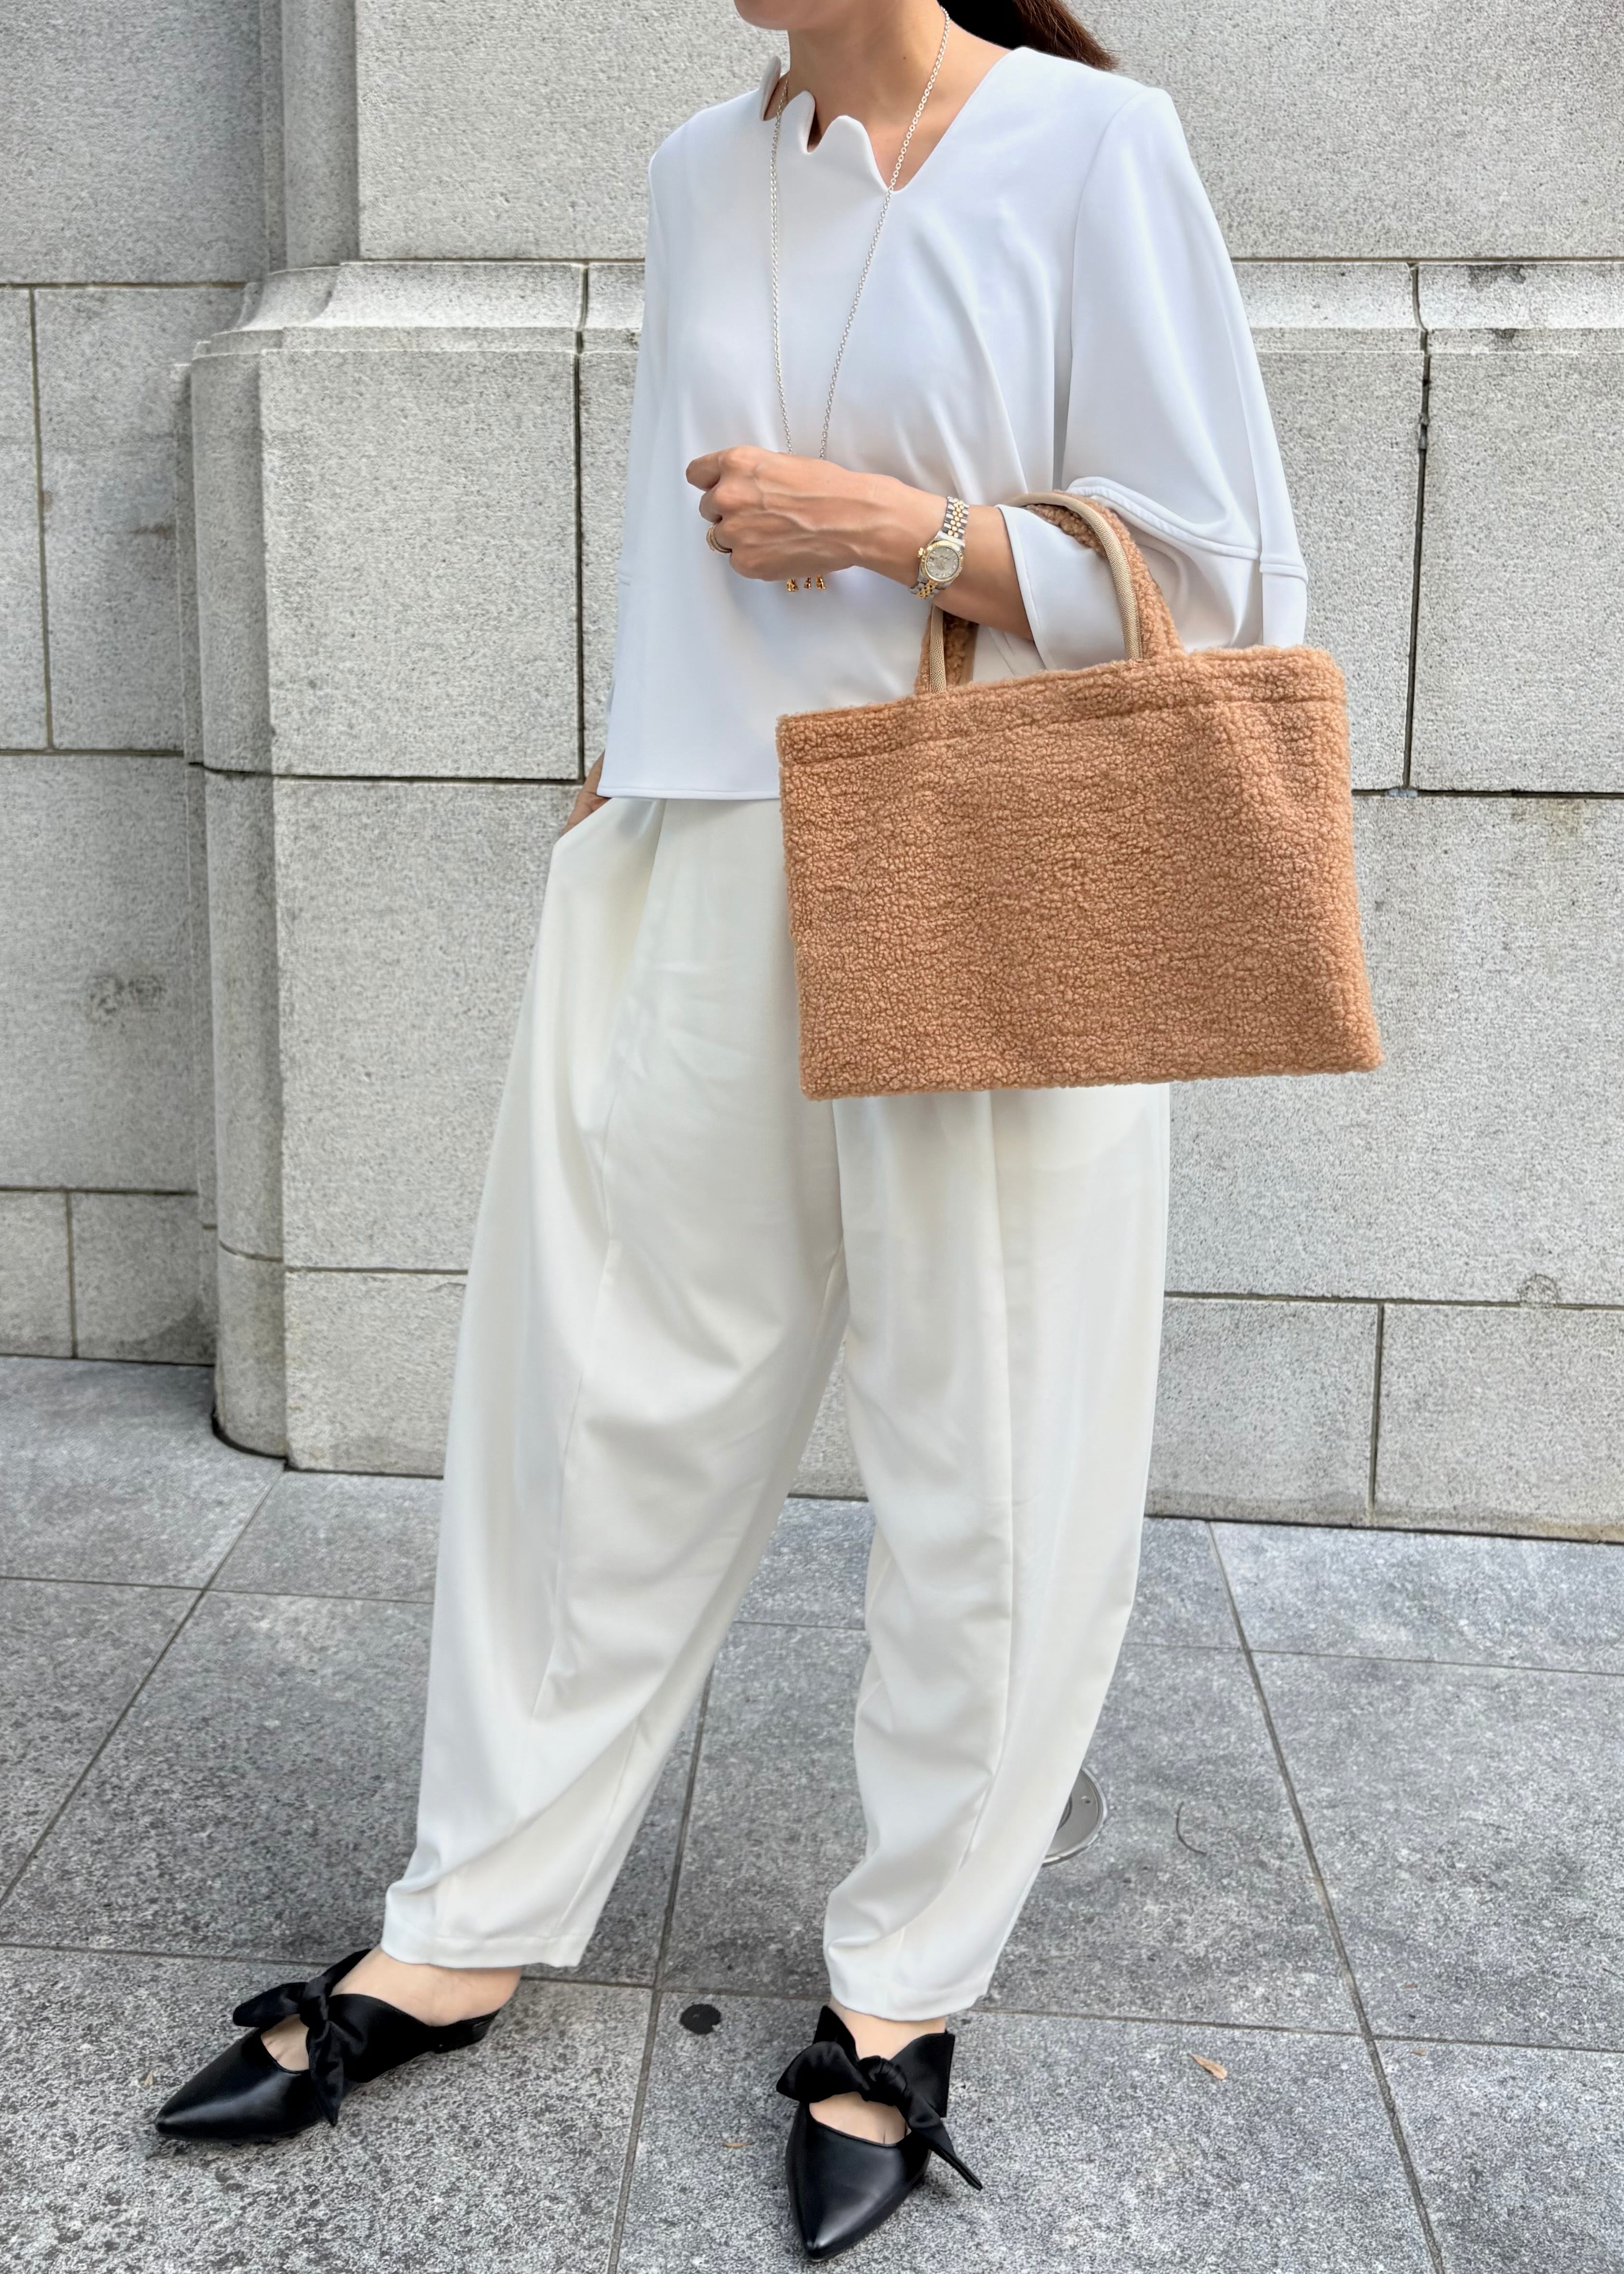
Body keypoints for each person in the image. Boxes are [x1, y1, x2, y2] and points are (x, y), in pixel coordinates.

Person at [156, 0, 1305, 2256]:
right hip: (696, 844)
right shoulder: (702, 168)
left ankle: (904, 1994)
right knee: (588, 1399)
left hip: (982, 863)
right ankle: (466, 1917)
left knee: (994, 1445)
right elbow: (676, 539)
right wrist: (622, 763)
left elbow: (1230, 580)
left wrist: (913, 533)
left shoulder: (1093, 145)